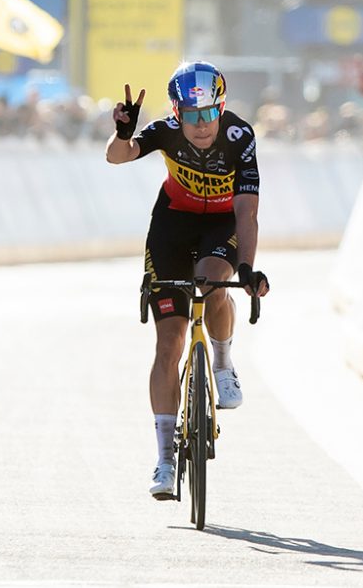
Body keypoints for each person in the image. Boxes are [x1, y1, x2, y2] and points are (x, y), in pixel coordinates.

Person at [105, 61, 270, 499]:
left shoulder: (240, 137)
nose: (200, 126)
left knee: (211, 280)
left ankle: (222, 361)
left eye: (208, 114)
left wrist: (249, 267)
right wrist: (123, 134)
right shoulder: (166, 130)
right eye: (191, 117)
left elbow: (247, 212)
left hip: (221, 225)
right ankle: (163, 458)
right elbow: (115, 158)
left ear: (221, 107)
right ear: (178, 113)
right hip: (173, 223)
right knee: (168, 343)